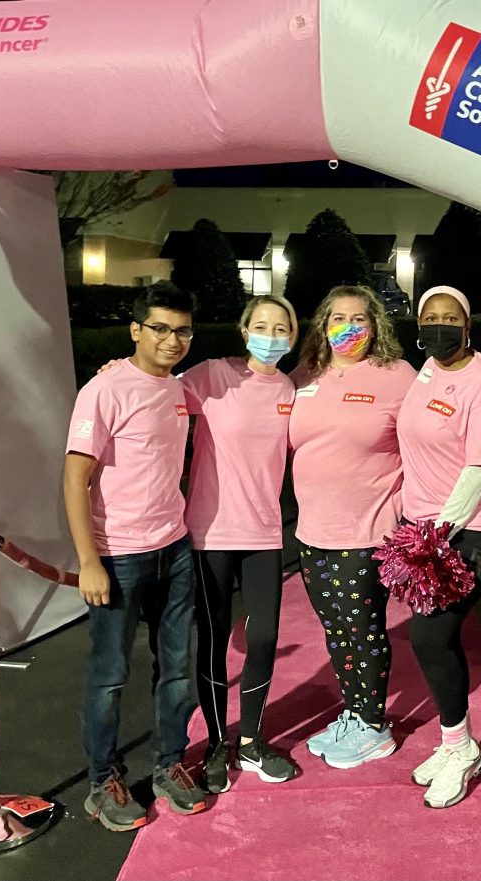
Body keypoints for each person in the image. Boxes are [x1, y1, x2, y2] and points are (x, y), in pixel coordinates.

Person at [64, 281, 205, 832]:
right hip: (118, 554)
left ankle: (171, 764)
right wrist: (88, 560)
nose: (173, 340)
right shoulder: (104, 389)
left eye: (182, 330)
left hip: (173, 547)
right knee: (110, 674)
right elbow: (76, 476)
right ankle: (103, 781)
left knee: (176, 670)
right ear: (136, 330)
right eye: (161, 329)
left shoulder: (177, 388)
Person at [288, 284, 418, 769]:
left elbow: (428, 438)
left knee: (363, 631)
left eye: (359, 318)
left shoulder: (397, 376)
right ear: (323, 324)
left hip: (366, 531)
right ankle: (353, 712)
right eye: (338, 318)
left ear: (376, 324)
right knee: (337, 632)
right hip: (312, 533)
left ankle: (373, 725)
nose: (348, 328)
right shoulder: (306, 375)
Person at [394, 285, 481, 809]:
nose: (438, 326)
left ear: (467, 326)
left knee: (429, 637)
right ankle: (453, 742)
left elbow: (478, 468)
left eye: (450, 319)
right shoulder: (426, 371)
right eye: (429, 317)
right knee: (433, 640)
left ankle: (461, 749)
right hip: (424, 530)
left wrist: (437, 532)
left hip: (467, 530)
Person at [184, 294, 301, 793]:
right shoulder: (212, 374)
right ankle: (215, 744)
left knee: (264, 637)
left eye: (282, 328)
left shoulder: (291, 388)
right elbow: (152, 395)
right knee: (212, 642)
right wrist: (115, 371)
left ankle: (251, 740)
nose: (270, 336)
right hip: (210, 532)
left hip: (264, 533)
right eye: (261, 325)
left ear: (293, 337)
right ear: (243, 328)